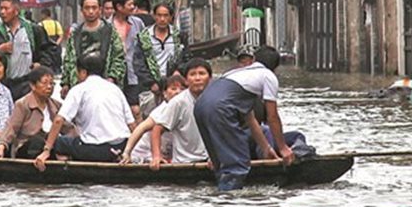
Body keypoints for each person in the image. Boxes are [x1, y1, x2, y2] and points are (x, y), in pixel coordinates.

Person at [194, 46, 293, 191]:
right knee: (237, 166)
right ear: (275, 68)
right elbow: (272, 117)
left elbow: (250, 119)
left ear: (254, 60)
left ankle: (217, 196)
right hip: (220, 109)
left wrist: (266, 148)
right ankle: (229, 200)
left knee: (219, 164)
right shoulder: (268, 76)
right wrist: (283, 148)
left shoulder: (236, 74)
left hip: (200, 107)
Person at [34, 53, 135, 170]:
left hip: (95, 150)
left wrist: (46, 151)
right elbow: (132, 124)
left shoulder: (79, 89)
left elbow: (58, 120)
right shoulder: (115, 89)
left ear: (83, 72)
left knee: (52, 141)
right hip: (121, 147)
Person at [0, 0, 55, 99]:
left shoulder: (33, 30)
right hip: (4, 85)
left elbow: (50, 50)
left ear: (16, 11)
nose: (2, 12)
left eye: (6, 8)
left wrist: (41, 64)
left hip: (27, 85)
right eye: (1, 9)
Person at [137, 58, 211, 169]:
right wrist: (156, 157)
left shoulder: (215, 99)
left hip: (209, 160)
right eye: (192, 74)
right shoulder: (178, 102)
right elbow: (157, 129)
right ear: (186, 80)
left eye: (201, 74)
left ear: (210, 78)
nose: (197, 78)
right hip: (184, 162)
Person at [0, 66, 61, 161]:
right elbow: (11, 128)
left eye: (51, 83)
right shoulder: (22, 104)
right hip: (27, 148)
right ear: (33, 85)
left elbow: (68, 128)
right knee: (37, 142)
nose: (49, 87)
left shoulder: (56, 105)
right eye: (44, 83)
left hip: (48, 148)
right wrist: (0, 149)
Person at [60, 0, 126, 98]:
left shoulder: (110, 32)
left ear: (100, 10)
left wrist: (112, 78)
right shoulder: (75, 34)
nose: (91, 11)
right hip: (80, 85)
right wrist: (66, 83)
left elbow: (119, 57)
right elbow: (68, 59)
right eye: (87, 8)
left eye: (94, 8)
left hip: (105, 85)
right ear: (82, 10)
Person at [119, 74, 186, 164]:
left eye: (182, 89)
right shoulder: (163, 110)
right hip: (146, 155)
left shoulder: (186, 108)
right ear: (165, 93)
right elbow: (141, 128)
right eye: (173, 89)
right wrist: (127, 153)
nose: (178, 92)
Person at [133, 2, 185, 114]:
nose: (162, 19)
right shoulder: (144, 37)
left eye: (166, 16)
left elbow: (185, 57)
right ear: (154, 16)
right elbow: (138, 63)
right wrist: (150, 83)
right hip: (150, 88)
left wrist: (178, 71)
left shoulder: (178, 36)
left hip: (172, 84)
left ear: (171, 17)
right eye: (159, 15)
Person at [111, 0, 146, 118]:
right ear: (119, 7)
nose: (133, 7)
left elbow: (145, 47)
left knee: (135, 108)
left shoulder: (138, 23)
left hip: (133, 71)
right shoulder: (107, 25)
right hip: (113, 73)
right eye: (129, 4)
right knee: (115, 108)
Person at [39, 8, 64, 74]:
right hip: (56, 47)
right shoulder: (56, 23)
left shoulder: (40, 24)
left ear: (44, 15)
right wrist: (56, 44)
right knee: (57, 64)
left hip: (46, 47)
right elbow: (61, 36)